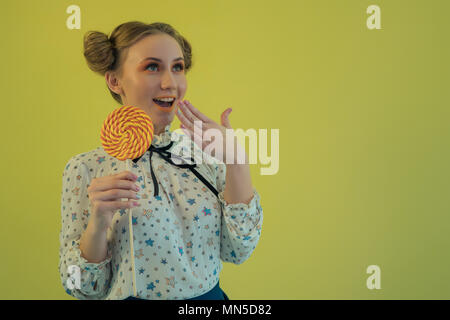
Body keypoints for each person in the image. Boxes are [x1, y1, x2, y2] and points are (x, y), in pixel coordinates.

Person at [59, 21, 263, 300]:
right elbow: (78, 287)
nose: (170, 83)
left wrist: (236, 161)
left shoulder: (208, 156)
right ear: (114, 81)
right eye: (152, 67)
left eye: (178, 67)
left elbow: (238, 250)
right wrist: (98, 223)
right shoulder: (85, 168)